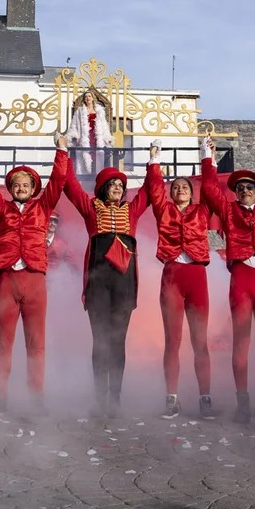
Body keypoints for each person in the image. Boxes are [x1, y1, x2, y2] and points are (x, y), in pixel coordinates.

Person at [61, 143, 156, 417]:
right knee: (100, 340)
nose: (117, 187)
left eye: (120, 185)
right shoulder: (91, 208)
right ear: (102, 188)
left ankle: (115, 398)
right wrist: (63, 153)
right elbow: (70, 186)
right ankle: (99, 398)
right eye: (112, 184)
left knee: (118, 340)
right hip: (98, 282)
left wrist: (153, 160)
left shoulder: (131, 210)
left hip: (124, 283)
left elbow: (149, 191)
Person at [0, 134, 69, 417]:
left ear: (33, 189)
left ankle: (35, 399)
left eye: (26, 185)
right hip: (7, 281)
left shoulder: (42, 207)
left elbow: (58, 182)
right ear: (10, 189)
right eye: (16, 184)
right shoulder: (1, 209)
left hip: (35, 281)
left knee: (36, 344)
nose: (20, 188)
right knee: (3, 344)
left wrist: (61, 150)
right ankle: (0, 397)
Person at [198, 137, 255, 423]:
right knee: (241, 343)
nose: (245, 190)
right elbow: (210, 189)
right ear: (235, 193)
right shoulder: (228, 211)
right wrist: (207, 158)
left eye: (250, 187)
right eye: (240, 188)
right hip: (242, 280)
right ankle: (242, 402)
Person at [143, 143, 216, 419]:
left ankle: (205, 398)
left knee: (200, 341)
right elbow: (155, 189)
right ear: (171, 193)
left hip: (196, 276)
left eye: (185, 186)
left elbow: (211, 189)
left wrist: (207, 157)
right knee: (172, 340)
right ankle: (171, 398)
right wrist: (154, 160)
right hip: (172, 277)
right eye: (175, 187)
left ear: (192, 193)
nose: (181, 189)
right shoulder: (164, 210)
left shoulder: (202, 211)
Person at [68, 88, 112, 178]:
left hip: (96, 138)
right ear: (84, 99)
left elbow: (104, 126)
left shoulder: (99, 111)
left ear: (92, 98)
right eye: (85, 97)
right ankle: (85, 181)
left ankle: (97, 179)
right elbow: (74, 125)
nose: (87, 98)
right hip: (85, 138)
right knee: (84, 160)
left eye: (89, 96)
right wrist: (74, 135)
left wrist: (107, 138)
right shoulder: (79, 111)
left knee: (97, 160)